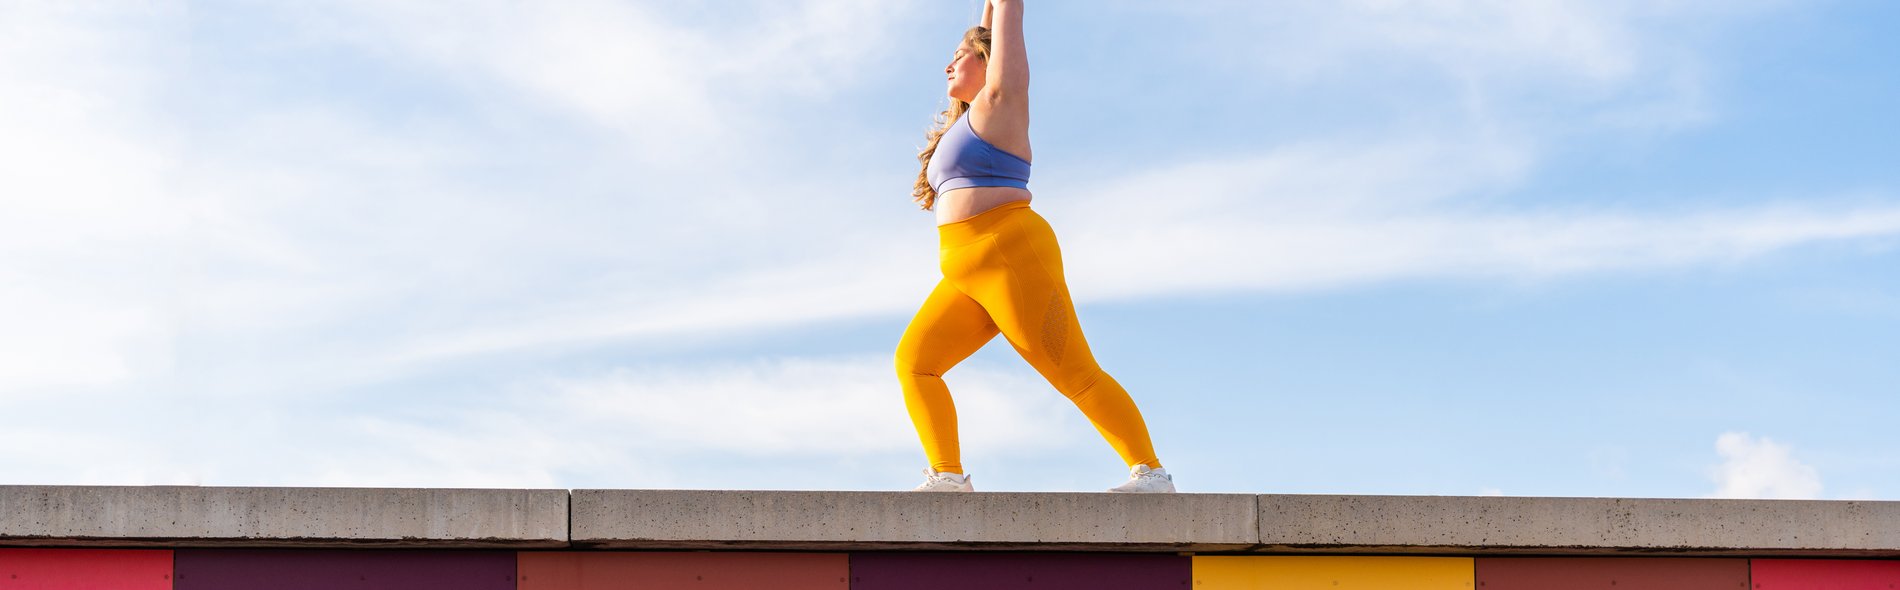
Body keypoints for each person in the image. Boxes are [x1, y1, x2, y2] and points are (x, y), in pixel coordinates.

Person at [895, 0, 1175, 494]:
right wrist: (984, 13)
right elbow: (986, 23)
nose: (948, 65)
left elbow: (1007, 15)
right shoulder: (967, 121)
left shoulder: (1001, 102)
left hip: (1010, 255)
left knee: (1076, 374)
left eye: (959, 55)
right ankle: (948, 476)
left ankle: (1151, 473)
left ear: (987, 61)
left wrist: (1000, 10)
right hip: (965, 272)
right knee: (915, 363)